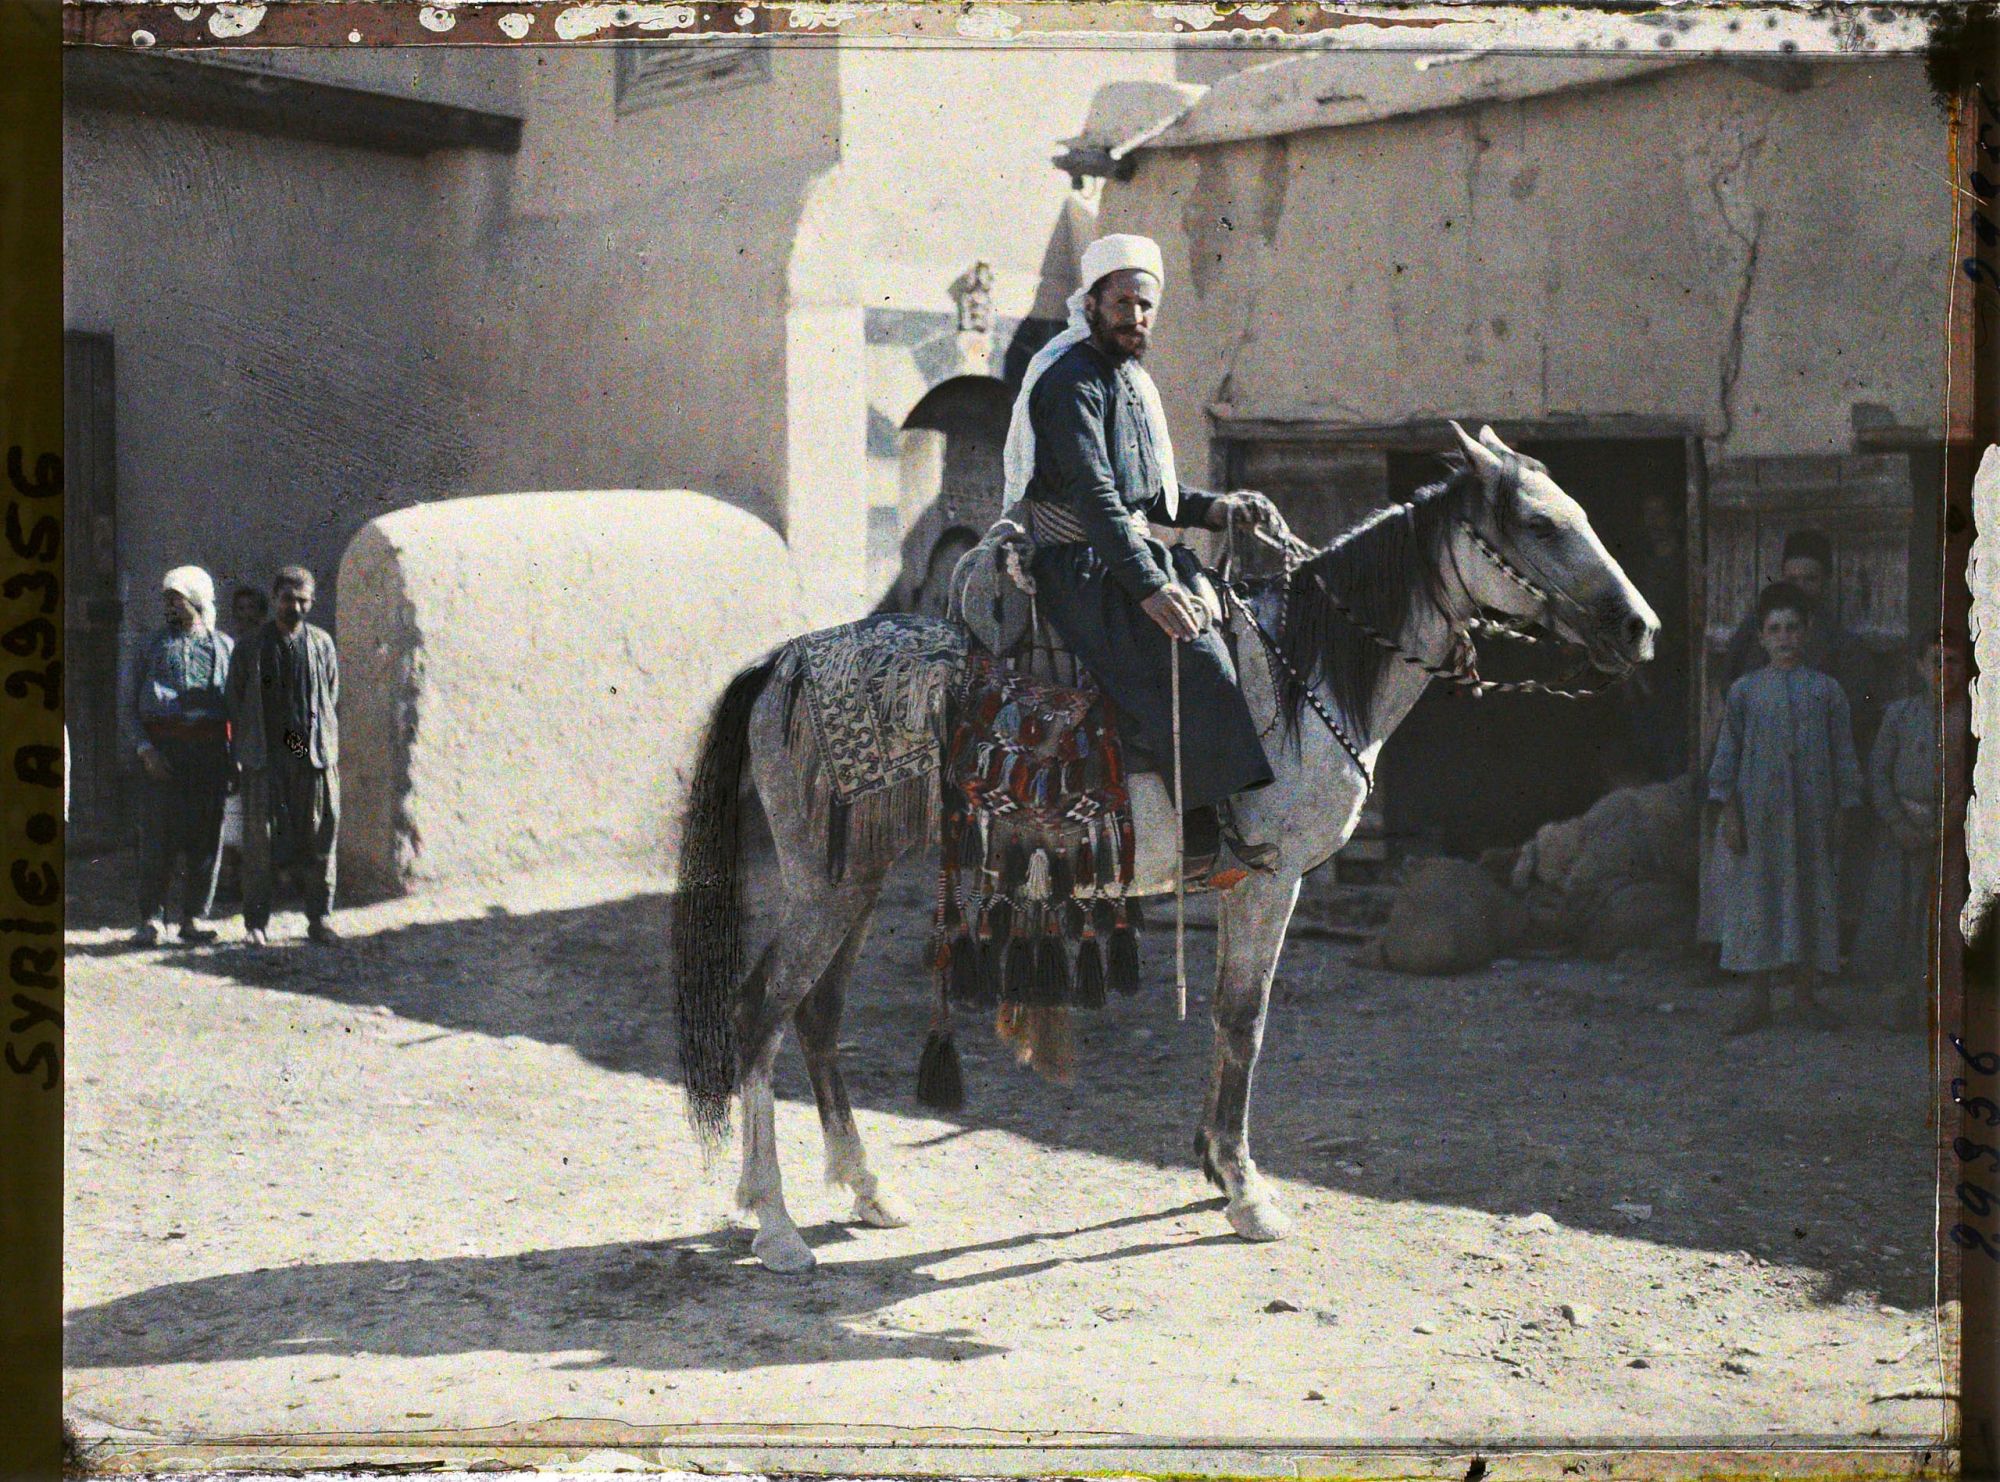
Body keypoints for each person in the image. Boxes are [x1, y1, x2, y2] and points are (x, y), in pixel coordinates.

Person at [999, 232, 1282, 881]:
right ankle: (1205, 842)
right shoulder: (1070, 381)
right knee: (1196, 655)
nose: (1136, 317)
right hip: (1077, 564)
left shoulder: (1126, 380)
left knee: (1232, 619)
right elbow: (1097, 501)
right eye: (1123, 302)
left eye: (1147, 306)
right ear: (1092, 303)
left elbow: (1149, 493)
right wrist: (1152, 590)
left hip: (1119, 551)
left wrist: (1219, 509)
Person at [1707, 582, 1864, 1034]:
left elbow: (1844, 754)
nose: (1784, 637)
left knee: (1811, 896)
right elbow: (1727, 755)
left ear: (1808, 631)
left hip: (1813, 814)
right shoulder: (1744, 692)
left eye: (1793, 628)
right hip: (1759, 814)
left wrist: (1844, 807)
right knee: (1757, 898)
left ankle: (1804, 996)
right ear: (1760, 637)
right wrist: (1729, 811)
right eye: (1774, 629)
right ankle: (1756, 999)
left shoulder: (1827, 691)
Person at [228, 565, 341, 946]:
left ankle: (319, 919)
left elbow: (330, 693)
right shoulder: (251, 647)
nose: (294, 606)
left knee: (318, 837)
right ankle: (256, 924)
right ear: (274, 599)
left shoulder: (321, 643)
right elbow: (236, 699)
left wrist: (310, 742)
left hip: (308, 753)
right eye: (287, 598)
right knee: (259, 842)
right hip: (266, 755)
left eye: (302, 600)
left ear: (312, 602)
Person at [125, 566, 233, 946]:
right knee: (157, 837)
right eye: (166, 599)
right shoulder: (151, 647)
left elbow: (236, 706)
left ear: (197, 600)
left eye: (177, 598)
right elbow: (129, 704)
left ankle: (193, 917)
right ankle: (152, 918)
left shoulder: (223, 647)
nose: (170, 605)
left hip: (208, 754)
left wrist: (231, 757)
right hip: (163, 752)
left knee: (205, 838)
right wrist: (146, 749)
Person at [1853, 636, 1946, 1027]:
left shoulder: (1978, 717)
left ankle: (1945, 1008)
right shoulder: (1899, 715)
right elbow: (1878, 773)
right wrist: (1897, 822)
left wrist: (1944, 823)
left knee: (1943, 919)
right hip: (1901, 835)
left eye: (1956, 663)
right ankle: (1901, 1004)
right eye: (1938, 661)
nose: (1946, 671)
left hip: (1949, 836)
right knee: (1899, 917)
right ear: (1920, 667)